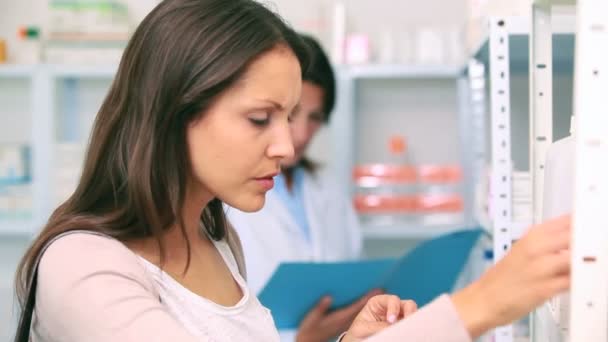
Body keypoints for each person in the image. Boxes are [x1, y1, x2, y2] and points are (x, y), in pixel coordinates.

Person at [13, 0, 571, 341]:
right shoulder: (83, 267)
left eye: (292, 118)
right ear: (174, 112)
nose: (286, 144)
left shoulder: (214, 239)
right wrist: (481, 305)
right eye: (261, 119)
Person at [225, 34, 366, 341]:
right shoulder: (225, 197)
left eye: (315, 118)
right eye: (290, 115)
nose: (300, 135)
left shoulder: (327, 189)